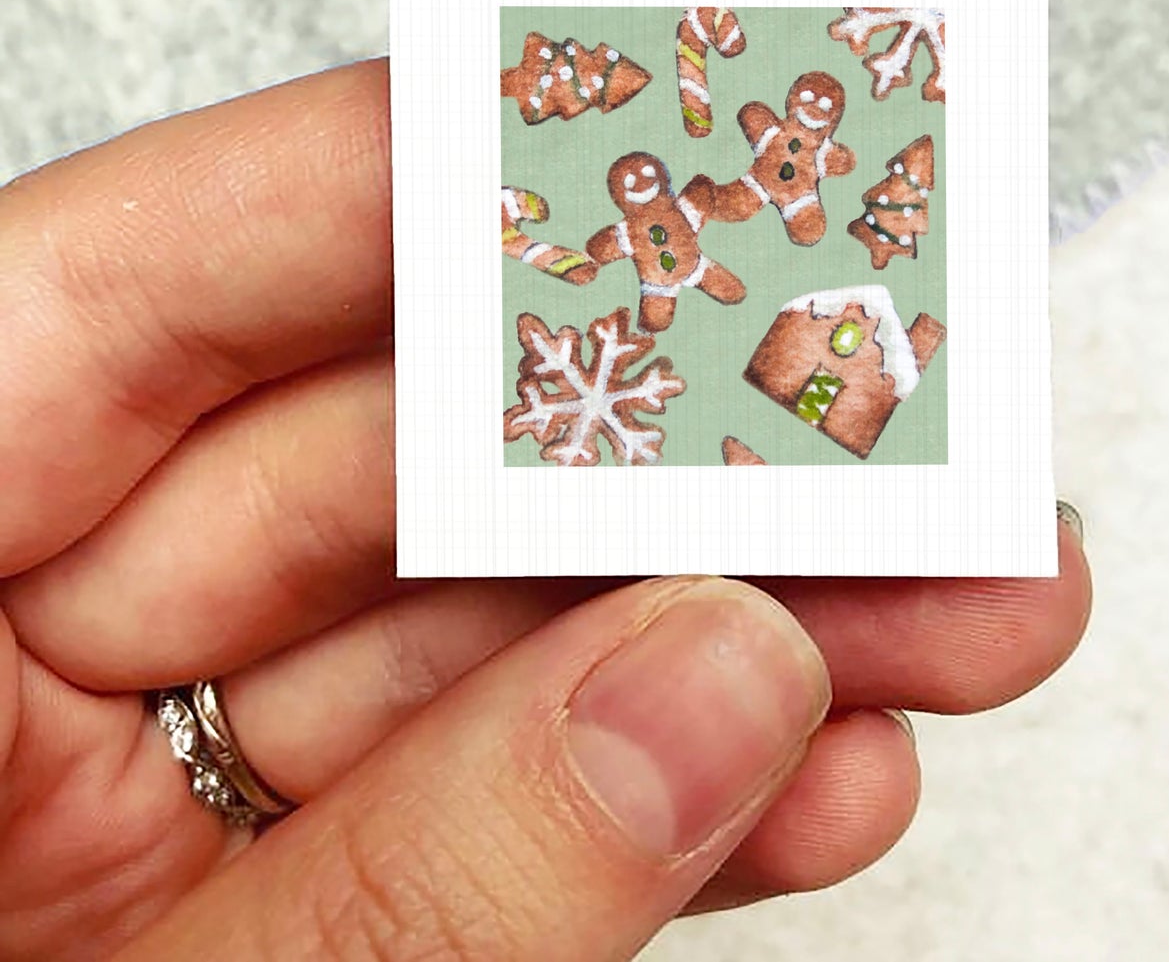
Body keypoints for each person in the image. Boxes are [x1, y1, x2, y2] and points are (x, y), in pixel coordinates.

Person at [0, 60, 1090, 960]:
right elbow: (630, 242)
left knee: (722, 308)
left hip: (743, 275)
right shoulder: (645, 223)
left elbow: (732, 193)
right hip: (690, 310)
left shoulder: (760, 202)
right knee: (680, 313)